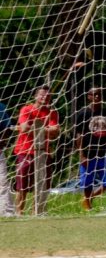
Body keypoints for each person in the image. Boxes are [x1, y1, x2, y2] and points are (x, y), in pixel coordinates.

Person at [13, 86, 60, 215]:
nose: (45, 97)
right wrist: (45, 130)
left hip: (44, 152)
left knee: (41, 185)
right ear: (35, 96)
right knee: (21, 186)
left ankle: (37, 212)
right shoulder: (26, 109)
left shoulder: (52, 112)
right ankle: (19, 213)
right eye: (42, 95)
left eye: (48, 95)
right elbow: (23, 128)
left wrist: (35, 128)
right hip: (25, 151)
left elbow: (55, 131)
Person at [74, 87, 106, 210]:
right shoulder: (83, 113)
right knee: (87, 183)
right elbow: (79, 136)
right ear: (89, 97)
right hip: (88, 155)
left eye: (98, 94)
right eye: (93, 94)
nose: (96, 97)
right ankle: (88, 206)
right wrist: (81, 155)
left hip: (104, 154)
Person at [0, 100, 14, 217]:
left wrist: (2, 142)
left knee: (2, 181)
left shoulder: (1, 107)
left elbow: (7, 128)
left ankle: (6, 211)